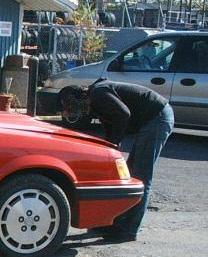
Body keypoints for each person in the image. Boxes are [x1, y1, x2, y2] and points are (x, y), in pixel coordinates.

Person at [58, 79, 174, 242]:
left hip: (157, 118)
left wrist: (115, 143)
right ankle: (114, 224)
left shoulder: (98, 94)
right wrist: (109, 144)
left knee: (140, 176)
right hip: (151, 118)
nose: (68, 112)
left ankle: (129, 230)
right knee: (129, 174)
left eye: (69, 106)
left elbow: (123, 114)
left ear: (79, 98)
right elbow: (111, 122)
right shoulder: (96, 98)